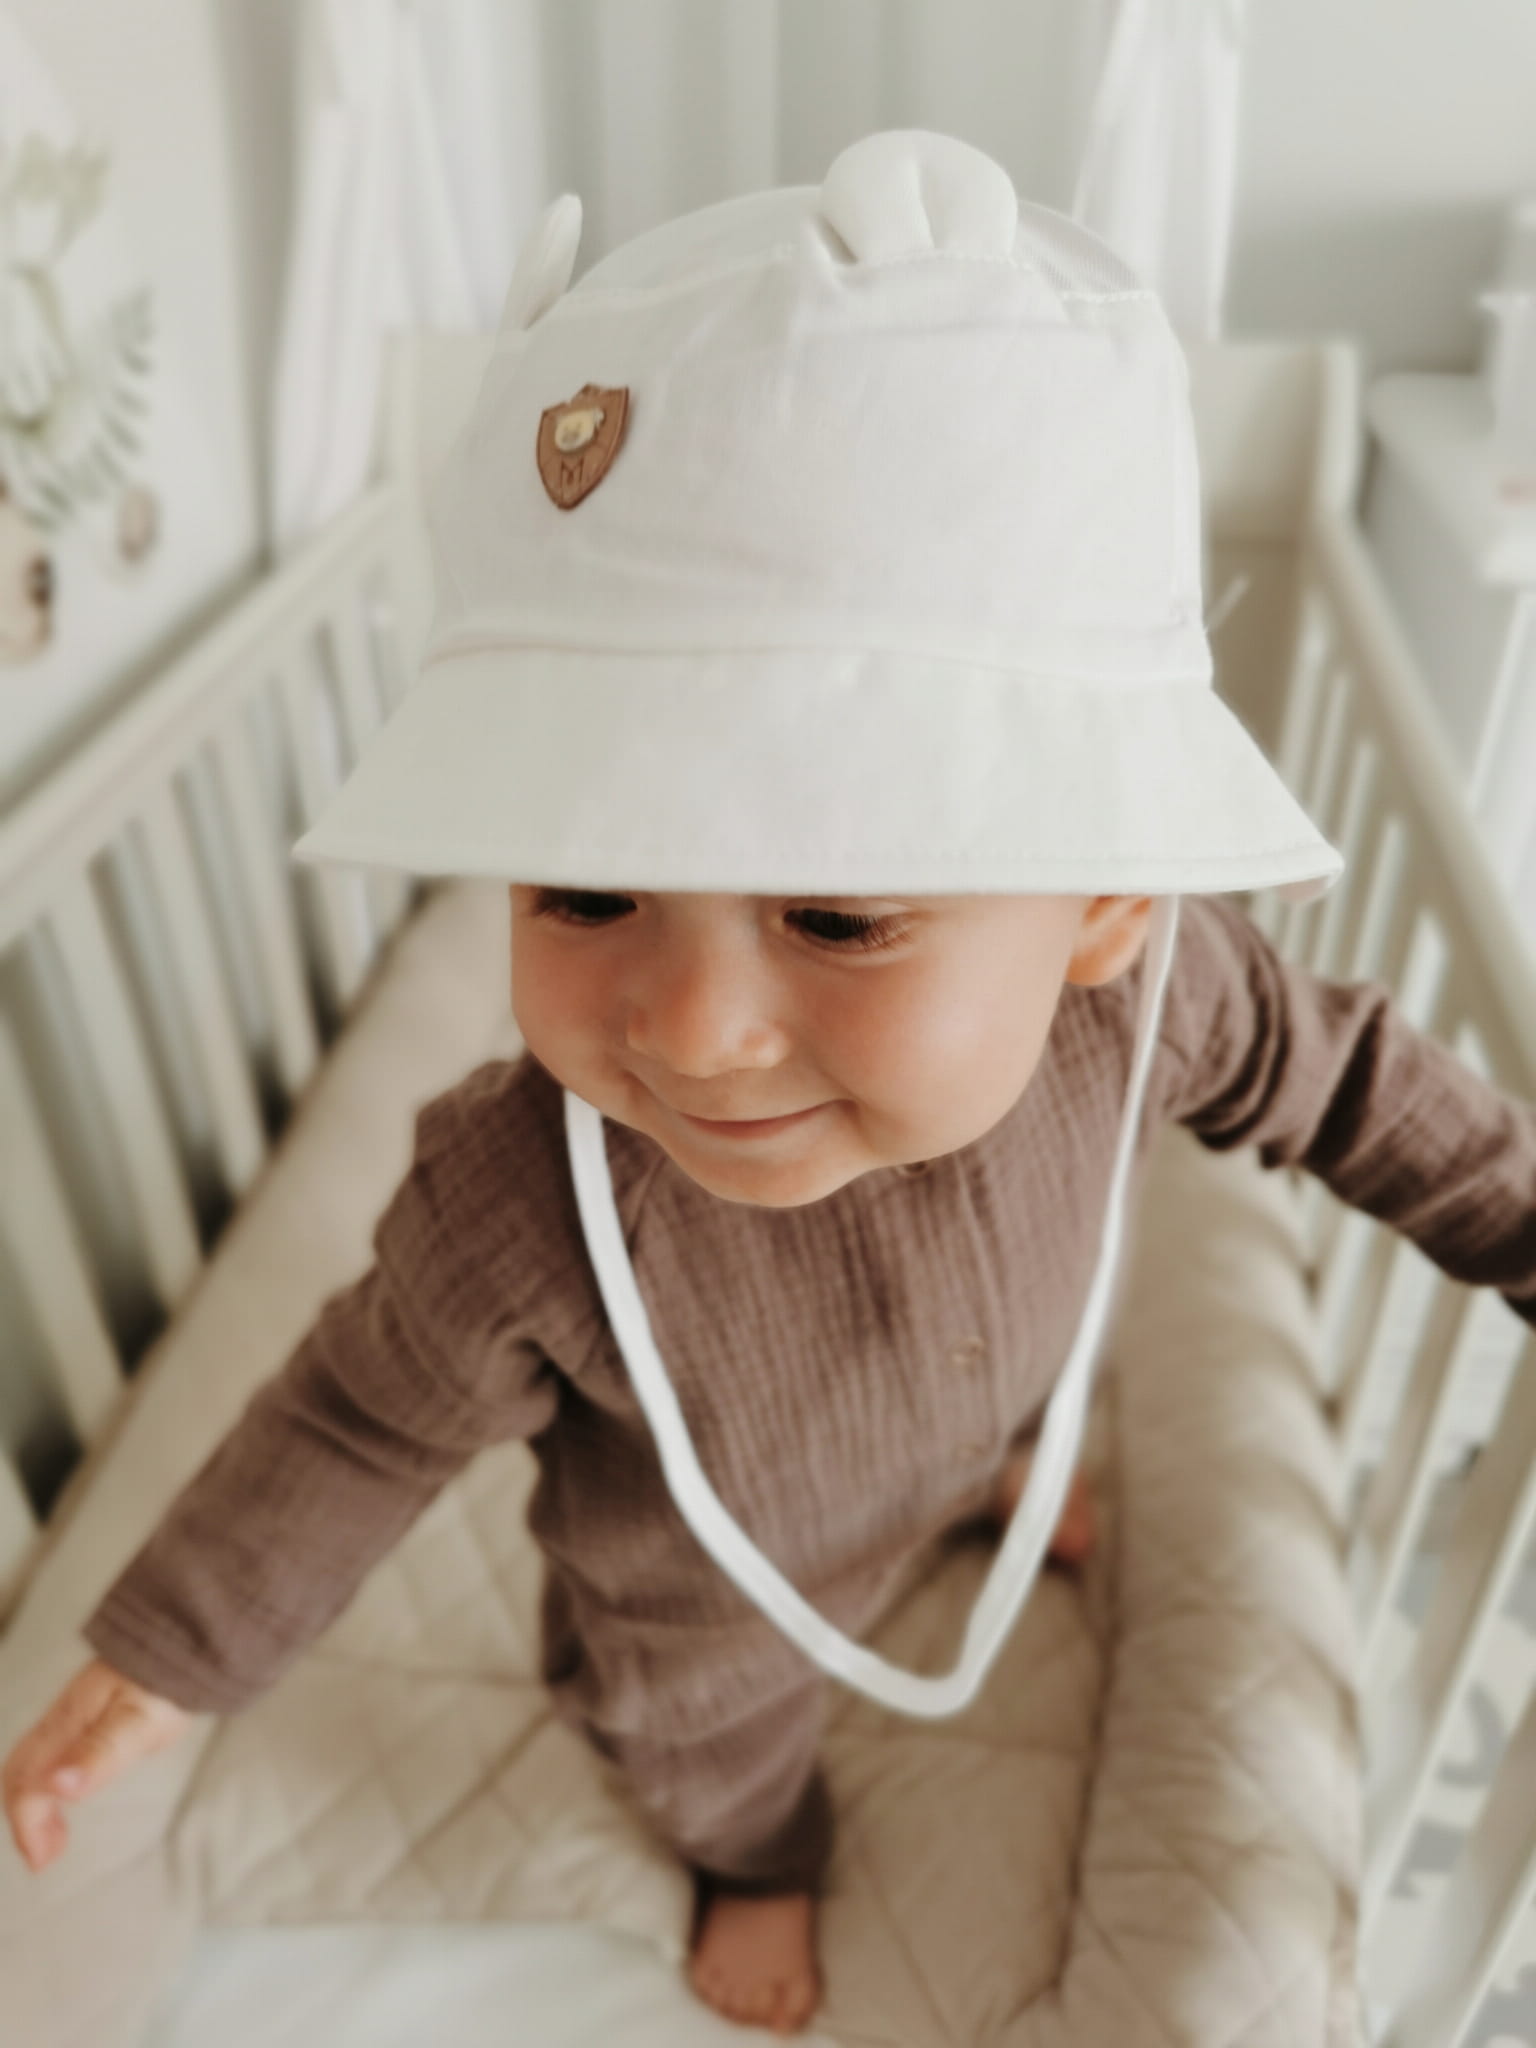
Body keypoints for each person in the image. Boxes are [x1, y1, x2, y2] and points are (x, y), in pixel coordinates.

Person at [5, 130, 1536, 2038]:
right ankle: (753, 1854)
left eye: (835, 916)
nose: (691, 1030)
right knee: (700, 1748)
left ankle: (977, 1490)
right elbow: (355, 1424)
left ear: (1103, 907)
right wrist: (170, 1656)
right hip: (702, 1610)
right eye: (585, 892)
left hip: (969, 1416)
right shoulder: (520, 1198)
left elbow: (1370, 1089)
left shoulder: (1161, 1005)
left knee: (980, 1417)